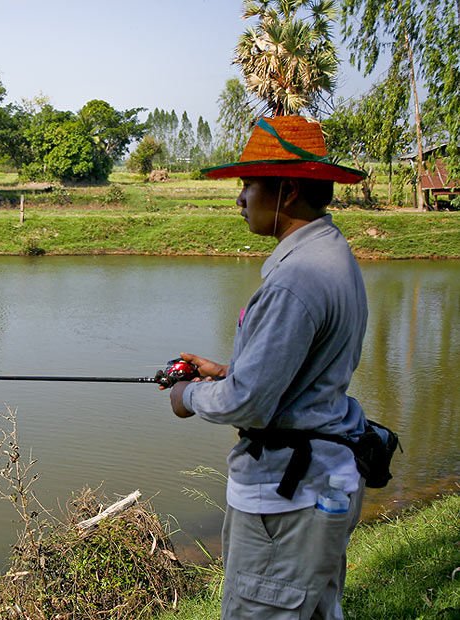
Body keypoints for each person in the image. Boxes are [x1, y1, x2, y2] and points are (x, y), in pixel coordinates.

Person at [167, 115, 370, 619]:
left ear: (286, 191)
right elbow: (295, 372)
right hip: (324, 481)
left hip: (286, 498)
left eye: (248, 185)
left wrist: (187, 397)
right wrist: (228, 369)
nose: (239, 198)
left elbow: (249, 403)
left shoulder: (293, 280)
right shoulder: (333, 254)